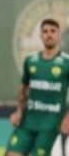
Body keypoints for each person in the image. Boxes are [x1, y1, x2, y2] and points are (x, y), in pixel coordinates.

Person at [6, 18, 69, 156]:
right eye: (45, 31)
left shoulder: (66, 62)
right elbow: (23, 88)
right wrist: (18, 111)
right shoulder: (31, 61)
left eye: (53, 31)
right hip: (28, 122)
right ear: (40, 36)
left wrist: (68, 117)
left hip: (50, 125)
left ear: (59, 36)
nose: (49, 34)